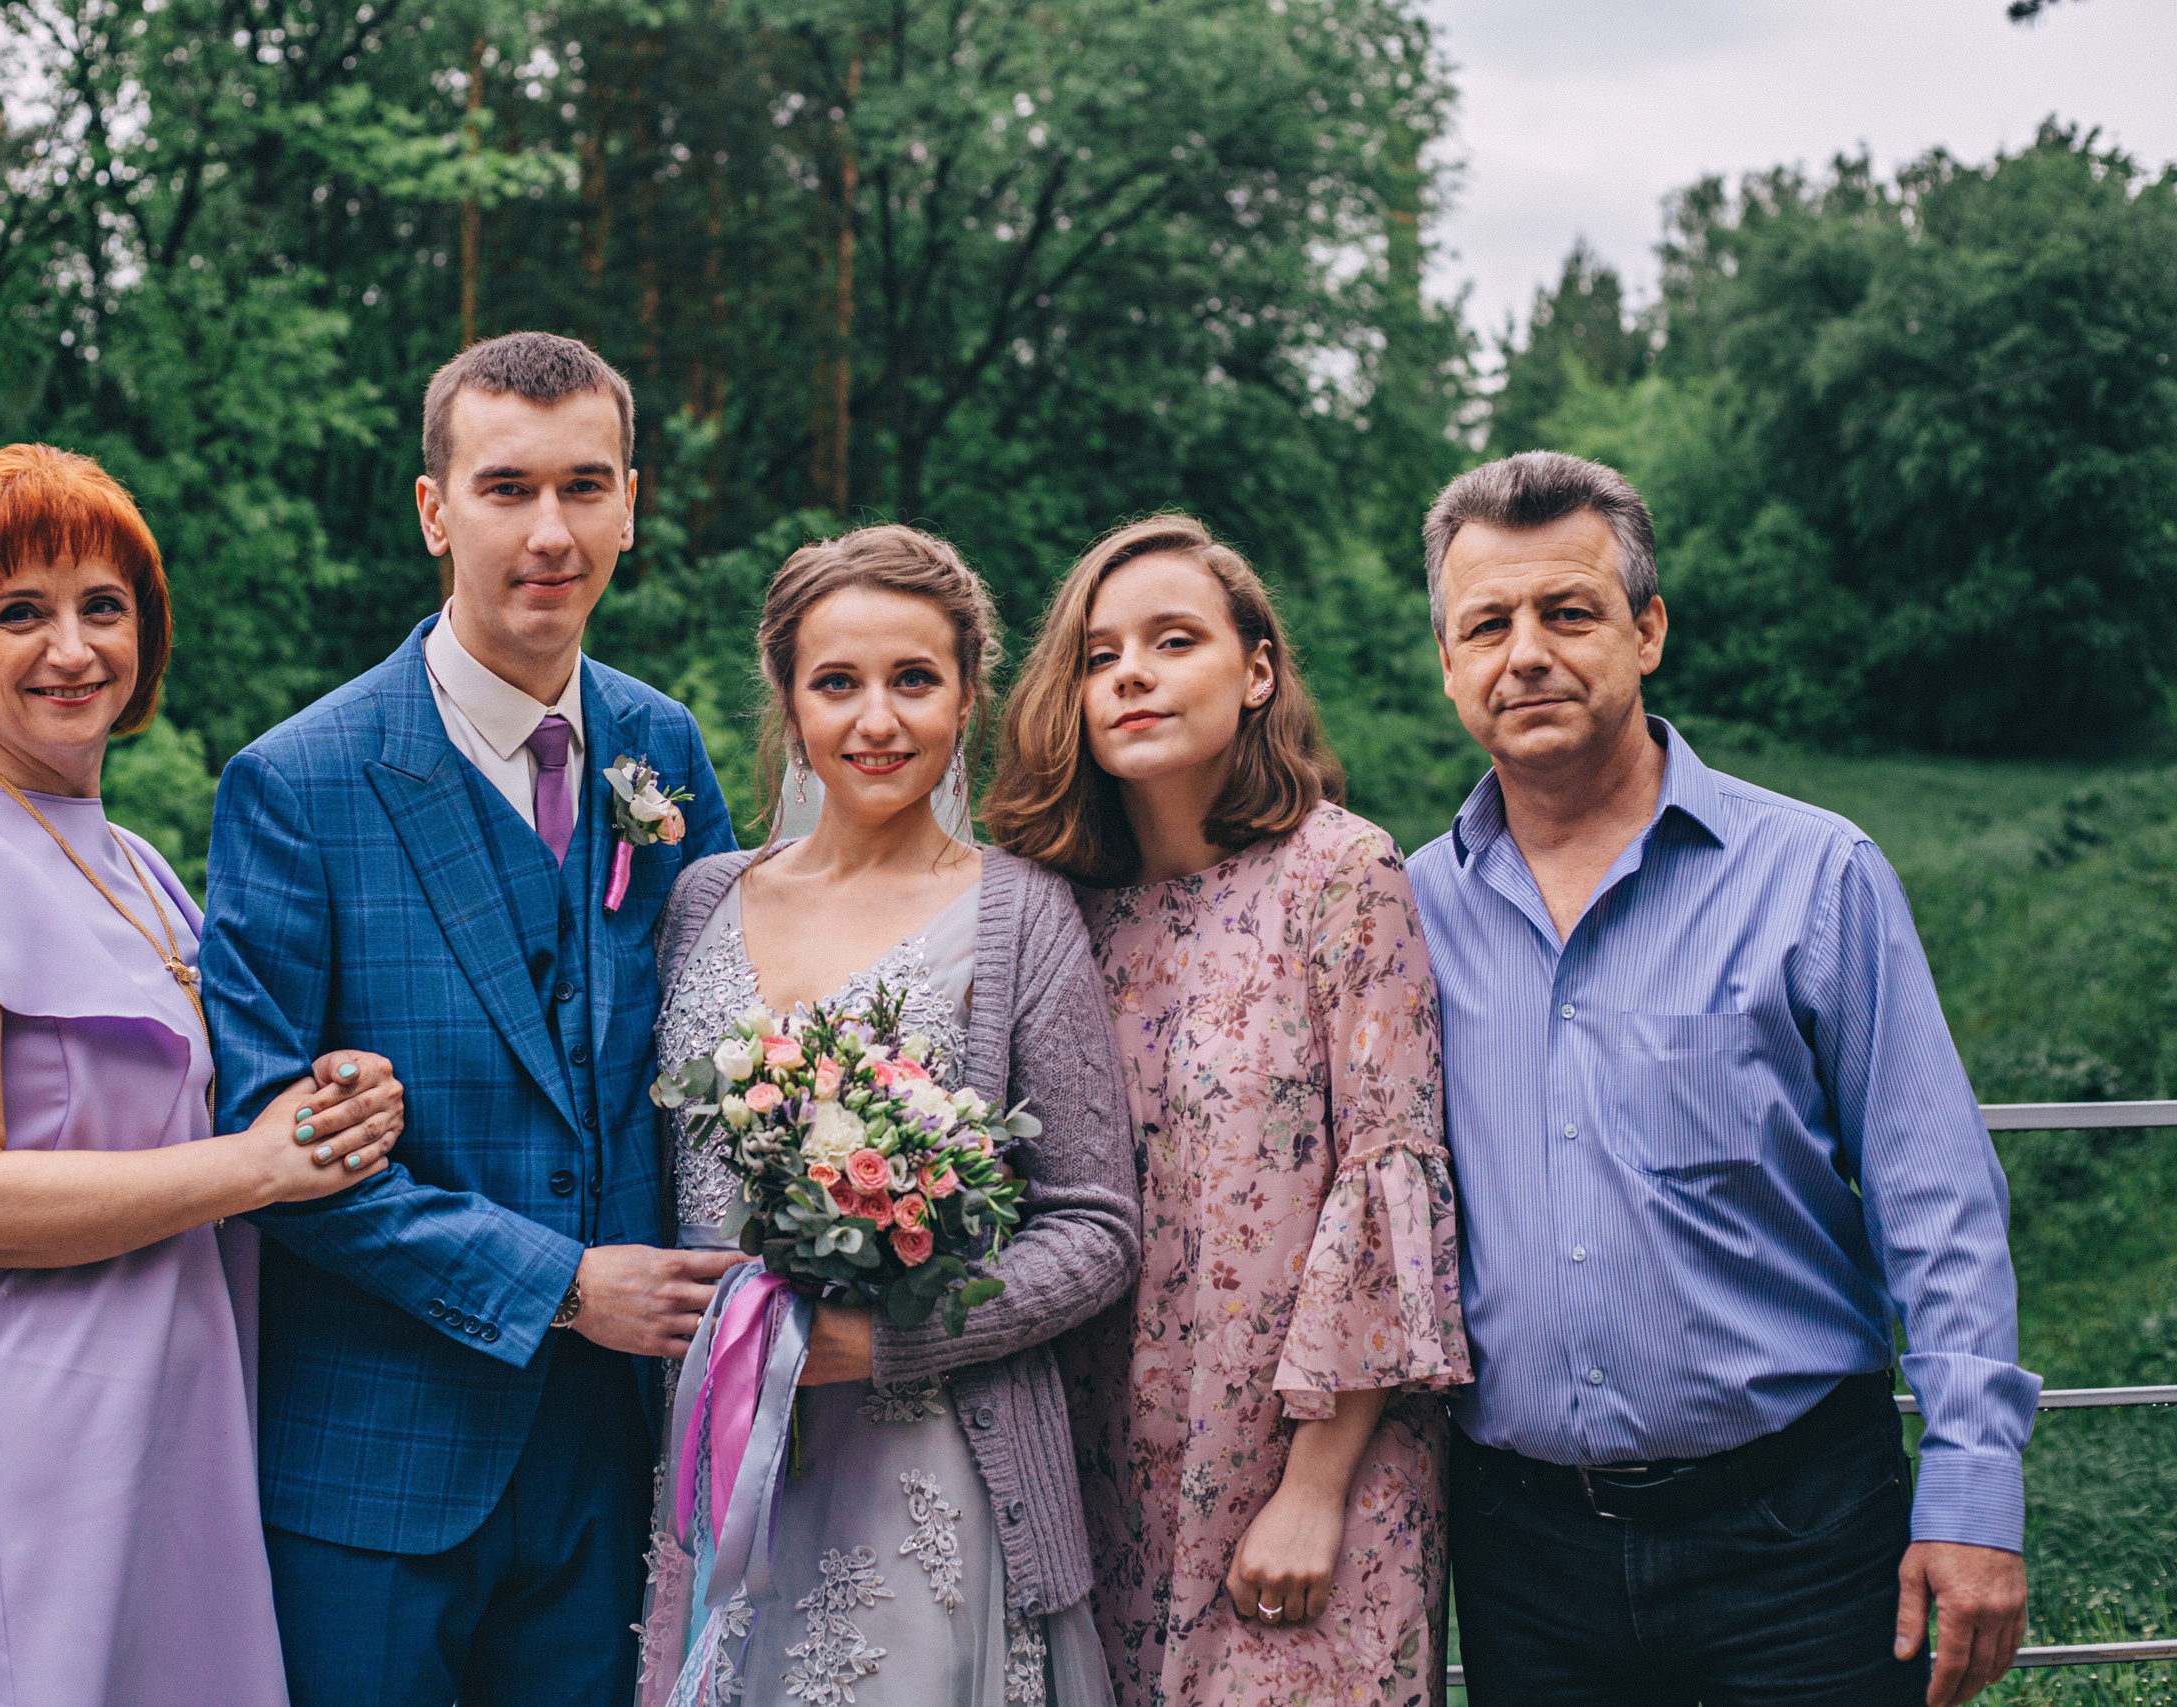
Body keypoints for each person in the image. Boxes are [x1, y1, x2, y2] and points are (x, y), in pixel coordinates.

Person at [0, 444, 404, 1707]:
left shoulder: (143, 866)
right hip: (35, 1447)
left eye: (102, 607)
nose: (72, 648)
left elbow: (199, 1107)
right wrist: (254, 1166)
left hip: (185, 1426)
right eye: (21, 613)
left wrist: (330, 1100)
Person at [1406, 451, 2038, 1707]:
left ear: (1646, 631)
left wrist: (1974, 1491)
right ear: (1448, 663)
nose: (1524, 652)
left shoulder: (1815, 875)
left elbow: (1936, 1199)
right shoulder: (1404, 913)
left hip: (1795, 1531)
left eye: (1567, 612)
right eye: (1486, 623)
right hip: (1523, 1552)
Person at [200, 332, 740, 1707]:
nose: (549, 531)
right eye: (506, 487)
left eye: (585, 485)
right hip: (381, 1454)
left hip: (619, 1451)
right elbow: (263, 1146)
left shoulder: (662, 750)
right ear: (436, 508)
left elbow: (735, 1055)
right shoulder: (299, 779)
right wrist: (560, 1285)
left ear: (633, 501)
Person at [637, 524, 1140, 1707]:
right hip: (723, 1460)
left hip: (931, 1465)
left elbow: (1095, 1228)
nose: (876, 721)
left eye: (913, 681)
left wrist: (887, 1342)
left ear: (967, 697)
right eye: (837, 684)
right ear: (788, 699)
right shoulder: (701, 897)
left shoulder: (1024, 916)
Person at [985, 514, 1471, 1707]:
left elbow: (1385, 1180)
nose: (1132, 675)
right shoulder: (1059, 917)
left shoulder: (1343, 875)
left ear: (1256, 672)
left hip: (1306, 1477)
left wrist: (1316, 1485)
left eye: (1173, 641)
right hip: (1098, 1463)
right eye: (1099, 656)